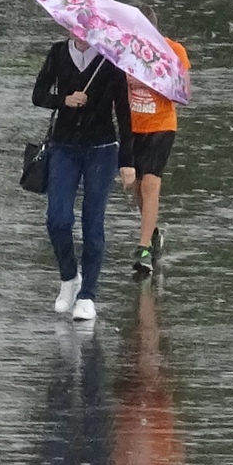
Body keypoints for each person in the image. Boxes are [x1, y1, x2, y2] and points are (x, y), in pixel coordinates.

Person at [32, 33, 130, 324]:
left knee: (93, 222)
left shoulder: (110, 60)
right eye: (74, 27)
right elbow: (38, 95)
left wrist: (128, 162)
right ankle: (69, 277)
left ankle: (87, 295)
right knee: (57, 219)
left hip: (101, 149)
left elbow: (124, 112)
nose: (80, 33)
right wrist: (64, 99)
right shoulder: (58, 52)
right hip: (63, 147)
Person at [117, 22, 188, 281]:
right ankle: (153, 233)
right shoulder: (123, 52)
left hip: (161, 126)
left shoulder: (173, 50)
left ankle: (143, 249)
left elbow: (183, 92)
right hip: (132, 127)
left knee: (149, 185)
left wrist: (150, 79)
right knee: (136, 187)